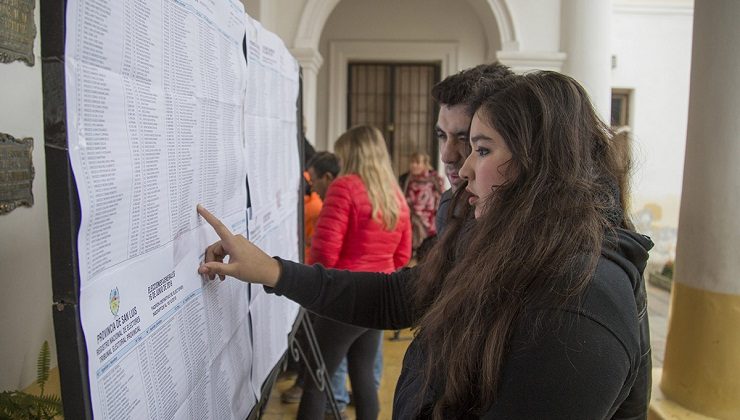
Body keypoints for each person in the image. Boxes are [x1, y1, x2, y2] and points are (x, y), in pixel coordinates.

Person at [197, 71, 653, 418]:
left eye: (481, 147)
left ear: (537, 160)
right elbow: (405, 295)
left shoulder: (578, 301)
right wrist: (274, 272)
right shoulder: (505, 240)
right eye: (449, 139)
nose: (460, 166)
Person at [298, 125, 413, 419]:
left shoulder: (344, 186)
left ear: (352, 154)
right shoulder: (395, 195)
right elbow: (402, 255)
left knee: (315, 378)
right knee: (363, 378)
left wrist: (315, 290)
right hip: (378, 295)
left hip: (344, 294)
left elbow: (325, 252)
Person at [282, 151, 341, 405]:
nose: (312, 185)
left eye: (314, 179)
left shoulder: (324, 206)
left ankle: (329, 398)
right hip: (337, 281)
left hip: (328, 283)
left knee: (321, 360)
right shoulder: (322, 203)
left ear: (327, 177)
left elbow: (325, 252)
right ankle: (335, 400)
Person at [431, 63, 513, 236]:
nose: (447, 156)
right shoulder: (449, 207)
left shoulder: (548, 230)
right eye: (442, 135)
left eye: (464, 138)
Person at [398, 152, 444, 253]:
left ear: (425, 164)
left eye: (417, 162)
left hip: (430, 226)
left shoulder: (435, 180)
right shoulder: (404, 179)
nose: (414, 165)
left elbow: (441, 199)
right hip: (410, 224)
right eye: (412, 162)